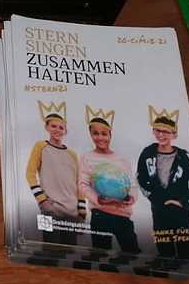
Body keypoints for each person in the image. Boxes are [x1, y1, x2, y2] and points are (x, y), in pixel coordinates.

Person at [136, 106, 189, 260]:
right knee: (165, 253)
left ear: (174, 134)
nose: (161, 134)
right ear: (153, 131)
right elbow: (141, 178)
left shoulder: (183, 156)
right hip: (159, 213)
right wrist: (156, 199)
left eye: (166, 131)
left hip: (182, 214)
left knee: (186, 254)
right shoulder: (147, 153)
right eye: (158, 130)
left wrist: (181, 201)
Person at [78, 105, 140, 254]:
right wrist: (99, 199)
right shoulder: (87, 157)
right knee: (101, 255)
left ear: (110, 135)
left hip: (123, 214)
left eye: (104, 134)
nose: (100, 137)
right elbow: (83, 184)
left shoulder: (122, 159)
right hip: (100, 215)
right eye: (95, 133)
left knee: (133, 254)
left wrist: (131, 198)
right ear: (91, 135)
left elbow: (132, 185)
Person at [24, 101, 85, 245]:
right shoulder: (40, 146)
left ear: (65, 131)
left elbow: (79, 183)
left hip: (71, 211)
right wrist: (42, 200)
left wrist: (82, 212)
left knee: (70, 249)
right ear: (46, 127)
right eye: (53, 126)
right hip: (49, 208)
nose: (57, 130)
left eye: (61, 127)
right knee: (50, 247)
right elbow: (30, 173)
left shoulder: (72, 154)